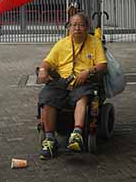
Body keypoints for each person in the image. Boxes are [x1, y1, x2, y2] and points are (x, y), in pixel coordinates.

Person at [37, 13, 107, 160]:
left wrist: (88, 71)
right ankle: (50, 140)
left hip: (83, 81)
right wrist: (43, 71)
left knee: (82, 97)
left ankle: (76, 135)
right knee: (47, 97)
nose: (77, 28)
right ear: (69, 28)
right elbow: (47, 62)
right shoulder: (61, 44)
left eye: (81, 25)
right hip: (62, 81)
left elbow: (102, 65)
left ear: (87, 27)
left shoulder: (94, 42)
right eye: (73, 25)